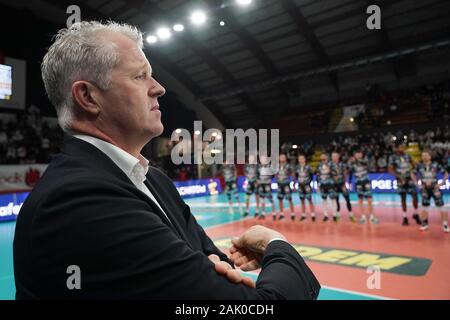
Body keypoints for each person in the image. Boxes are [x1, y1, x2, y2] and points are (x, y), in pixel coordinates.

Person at [13, 21, 320, 299]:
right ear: (88, 97)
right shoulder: (78, 201)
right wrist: (277, 246)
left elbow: (216, 265)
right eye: (139, 76)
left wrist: (212, 270)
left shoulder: (153, 179)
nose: (158, 88)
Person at [412, 150, 449, 233]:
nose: (424, 157)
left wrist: (442, 183)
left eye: (425, 155)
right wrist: (416, 183)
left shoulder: (435, 165)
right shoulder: (419, 166)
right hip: (425, 189)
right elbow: (413, 173)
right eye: (422, 155)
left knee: (441, 206)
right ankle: (424, 224)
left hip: (435, 188)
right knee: (425, 206)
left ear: (430, 156)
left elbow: (446, 173)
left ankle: (445, 224)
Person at [388, 143, 421, 226]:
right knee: (403, 198)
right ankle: (405, 217)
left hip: (409, 178)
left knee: (415, 196)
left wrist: (413, 172)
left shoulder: (407, 156)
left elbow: (413, 166)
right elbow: (390, 170)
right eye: (400, 146)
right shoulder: (393, 157)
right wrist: (399, 176)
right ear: (397, 148)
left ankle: (416, 214)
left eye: (403, 147)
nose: (402, 148)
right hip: (400, 180)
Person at [348, 150, 379, 224]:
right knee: (360, 200)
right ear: (354, 155)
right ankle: (363, 216)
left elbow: (369, 166)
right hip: (358, 183)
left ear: (361, 154)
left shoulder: (365, 160)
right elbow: (350, 173)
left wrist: (357, 160)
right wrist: (349, 182)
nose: (358, 155)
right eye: (356, 153)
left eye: (359, 153)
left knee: (369, 200)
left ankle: (372, 216)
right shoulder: (352, 163)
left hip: (366, 182)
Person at [330, 151, 355, 222]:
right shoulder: (330, 165)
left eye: (335, 156)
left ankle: (351, 214)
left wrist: (344, 184)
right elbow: (328, 175)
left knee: (347, 199)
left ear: (338, 157)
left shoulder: (342, 165)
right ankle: (338, 214)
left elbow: (345, 174)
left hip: (342, 184)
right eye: (333, 156)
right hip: (334, 185)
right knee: (336, 200)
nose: (334, 158)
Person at [316, 152, 338, 222]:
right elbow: (318, 176)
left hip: (330, 185)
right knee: (324, 200)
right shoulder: (319, 166)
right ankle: (326, 215)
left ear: (327, 157)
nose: (323, 159)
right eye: (321, 157)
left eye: (324, 157)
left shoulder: (331, 164)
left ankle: (334, 215)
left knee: (333, 199)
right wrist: (318, 185)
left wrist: (330, 171)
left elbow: (336, 174)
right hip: (322, 185)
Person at [295, 154, 316, 222]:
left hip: (307, 185)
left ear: (304, 159)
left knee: (309, 200)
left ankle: (313, 215)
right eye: (299, 159)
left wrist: (310, 182)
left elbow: (312, 175)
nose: (301, 160)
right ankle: (303, 215)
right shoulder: (297, 167)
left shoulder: (308, 167)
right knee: (302, 200)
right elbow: (296, 176)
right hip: (300, 186)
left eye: (302, 158)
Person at [275, 153, 294, 221]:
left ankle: (292, 214)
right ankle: (282, 214)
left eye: (283, 157)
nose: (282, 158)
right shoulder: (277, 166)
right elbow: (276, 174)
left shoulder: (288, 166)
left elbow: (293, 174)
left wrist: (293, 183)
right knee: (280, 199)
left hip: (286, 185)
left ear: (285, 158)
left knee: (289, 199)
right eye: (281, 157)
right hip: (280, 185)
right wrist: (277, 180)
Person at [256, 155, 276, 220]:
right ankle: (263, 213)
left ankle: (274, 214)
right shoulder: (258, 167)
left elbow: (273, 175)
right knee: (262, 200)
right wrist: (258, 181)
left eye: (264, 159)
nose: (263, 160)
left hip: (267, 185)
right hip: (261, 185)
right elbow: (257, 175)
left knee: (270, 199)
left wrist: (270, 179)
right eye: (262, 159)